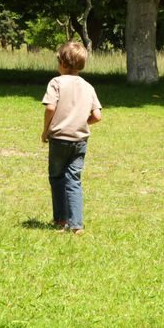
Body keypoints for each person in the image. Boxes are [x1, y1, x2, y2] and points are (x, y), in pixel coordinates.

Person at [41, 41, 103, 234]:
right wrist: (82, 122)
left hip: (59, 138)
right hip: (80, 141)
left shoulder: (56, 82)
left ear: (62, 63)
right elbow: (97, 116)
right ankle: (76, 225)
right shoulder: (88, 86)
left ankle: (60, 219)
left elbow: (50, 107)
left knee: (57, 177)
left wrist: (46, 130)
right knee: (73, 179)